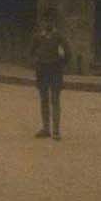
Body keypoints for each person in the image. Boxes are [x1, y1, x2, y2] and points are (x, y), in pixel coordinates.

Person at [31, 9, 70, 140]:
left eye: (50, 20)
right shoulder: (38, 37)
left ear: (54, 22)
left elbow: (68, 52)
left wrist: (60, 64)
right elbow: (31, 51)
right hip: (42, 71)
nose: (47, 23)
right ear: (42, 22)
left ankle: (56, 130)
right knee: (43, 100)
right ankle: (46, 128)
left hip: (55, 71)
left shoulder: (59, 37)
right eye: (45, 20)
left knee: (55, 100)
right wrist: (36, 62)